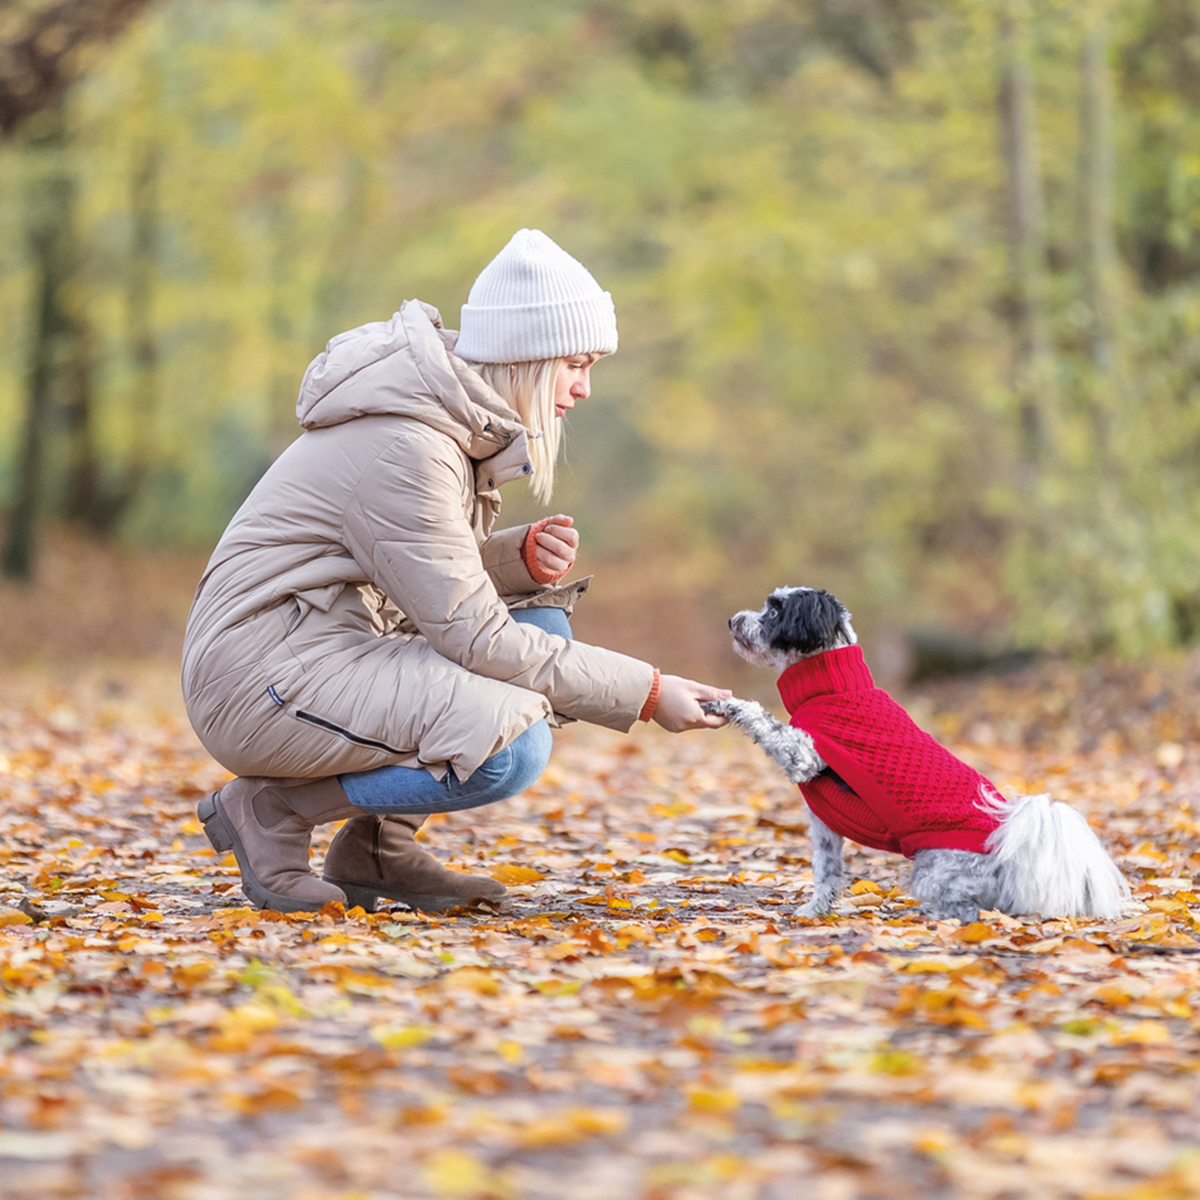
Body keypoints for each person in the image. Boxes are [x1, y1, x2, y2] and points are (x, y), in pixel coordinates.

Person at [182, 229, 730, 914]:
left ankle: (377, 853)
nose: (585, 388)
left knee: (539, 615)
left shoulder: (439, 424)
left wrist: (511, 562)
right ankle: (274, 811)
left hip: (314, 652)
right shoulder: (408, 446)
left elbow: (413, 576)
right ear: (527, 355)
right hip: (261, 680)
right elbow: (476, 638)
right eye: (576, 364)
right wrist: (649, 693)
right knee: (510, 746)